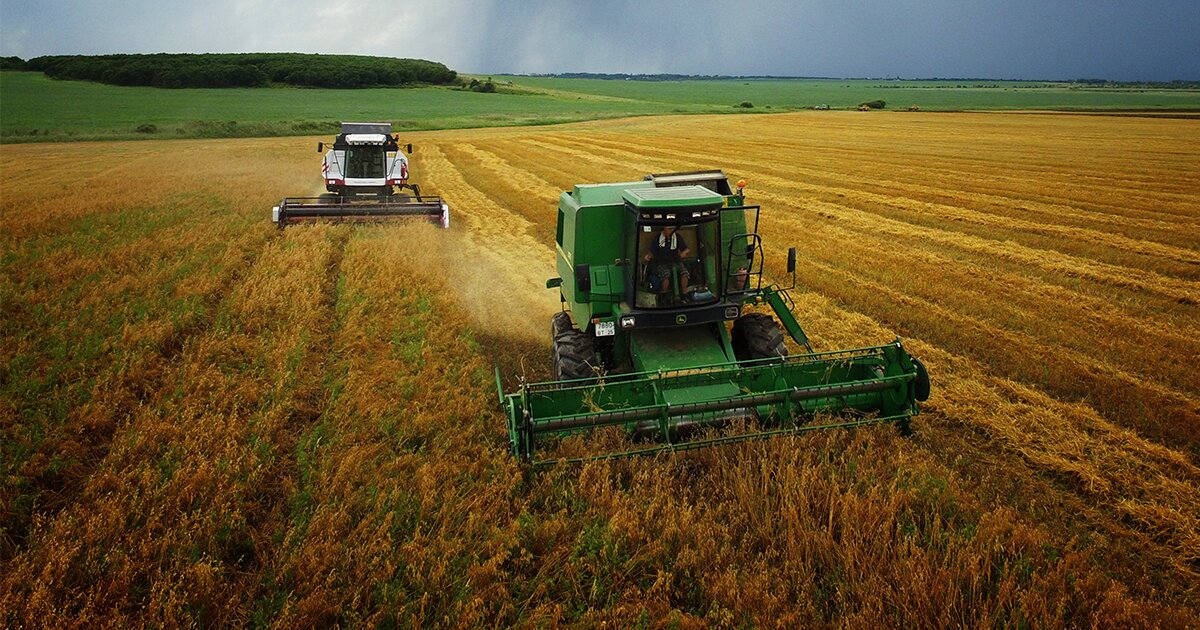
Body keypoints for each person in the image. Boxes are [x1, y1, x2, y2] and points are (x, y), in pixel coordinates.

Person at [643, 225, 690, 295]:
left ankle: (684, 293)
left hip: (675, 261)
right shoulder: (658, 238)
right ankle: (664, 294)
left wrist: (683, 253)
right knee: (665, 275)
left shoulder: (677, 237)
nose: (671, 231)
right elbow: (652, 252)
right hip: (661, 262)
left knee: (684, 273)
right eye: (669, 229)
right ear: (664, 229)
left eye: (672, 229)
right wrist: (648, 256)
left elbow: (687, 249)